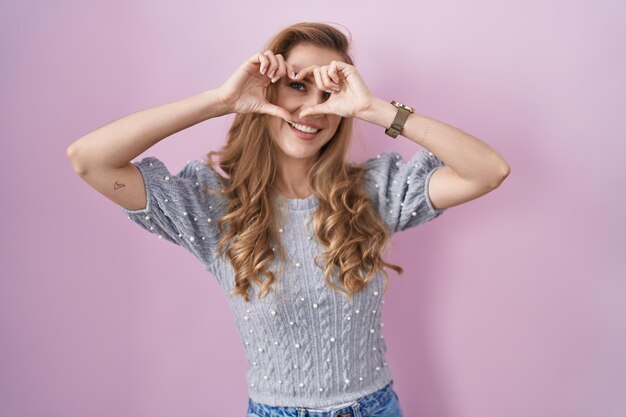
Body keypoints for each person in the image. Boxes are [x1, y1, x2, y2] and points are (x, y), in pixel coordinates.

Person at [67, 21, 510, 417]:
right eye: (298, 86)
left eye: (329, 94)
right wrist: (221, 101)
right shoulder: (211, 203)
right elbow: (89, 159)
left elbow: (489, 171)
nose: (314, 109)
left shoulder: (374, 190)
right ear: (268, 86)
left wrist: (374, 109)